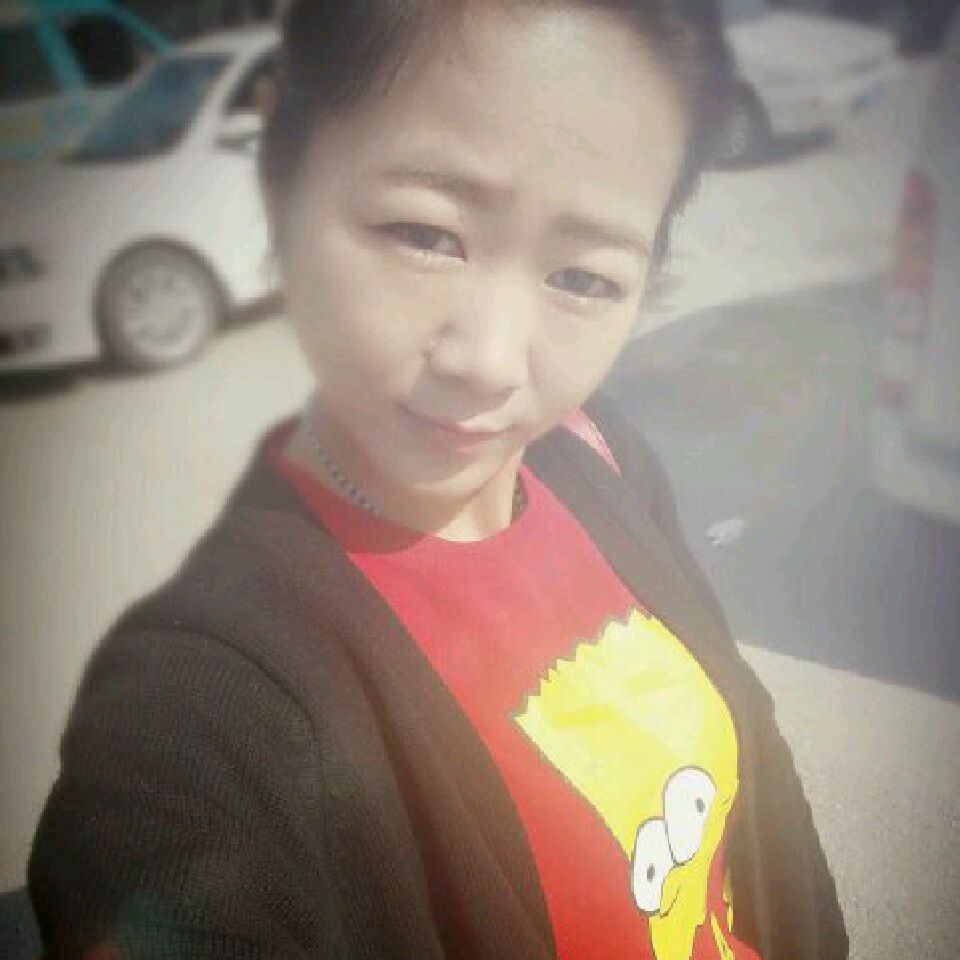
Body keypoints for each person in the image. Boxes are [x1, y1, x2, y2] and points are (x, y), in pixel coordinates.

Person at [27, 2, 848, 958]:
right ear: (284, 178)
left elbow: (759, 767)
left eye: (583, 278)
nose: (489, 364)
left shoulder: (595, 452)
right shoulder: (201, 708)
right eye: (427, 233)